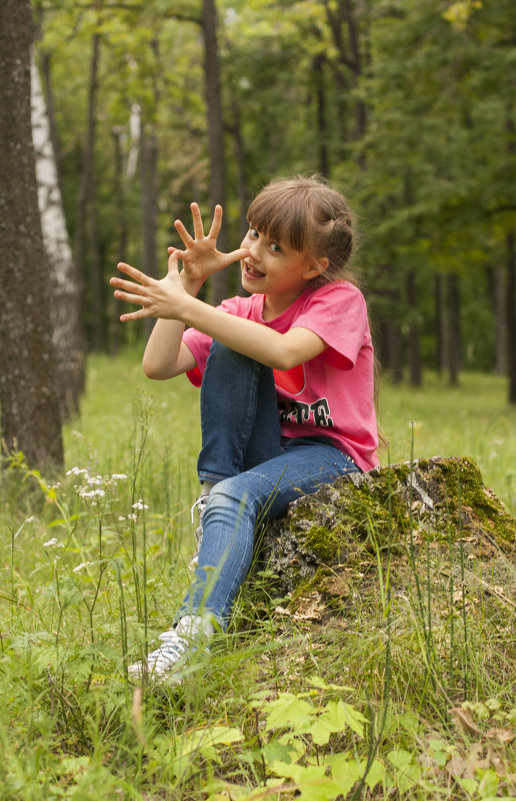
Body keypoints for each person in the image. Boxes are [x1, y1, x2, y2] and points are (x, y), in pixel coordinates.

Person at [110, 176, 379, 683]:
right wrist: (185, 287)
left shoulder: (340, 301)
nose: (253, 252)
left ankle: (193, 639)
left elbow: (284, 351)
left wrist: (191, 309)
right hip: (264, 455)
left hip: (334, 457)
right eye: (253, 233)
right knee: (231, 344)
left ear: (315, 266)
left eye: (276, 247)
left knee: (237, 347)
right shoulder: (239, 311)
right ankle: (216, 497)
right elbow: (158, 364)